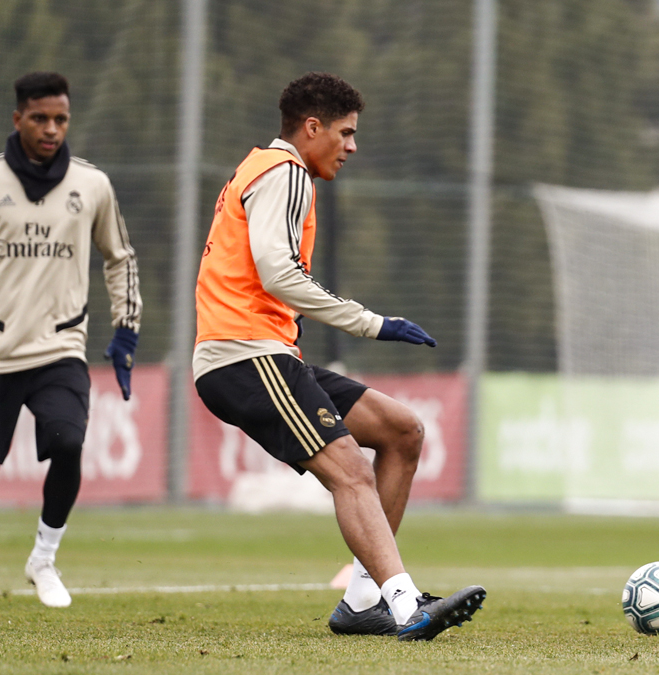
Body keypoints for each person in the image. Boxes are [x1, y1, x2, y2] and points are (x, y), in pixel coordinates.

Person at [192, 72, 483, 641]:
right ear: (312, 127)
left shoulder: (260, 169)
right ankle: (406, 608)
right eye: (346, 134)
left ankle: (362, 602)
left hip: (263, 351)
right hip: (243, 353)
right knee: (350, 471)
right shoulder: (287, 172)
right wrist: (373, 323)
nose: (352, 147)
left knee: (402, 431)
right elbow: (278, 272)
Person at [0, 72, 141, 609]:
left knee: (67, 443)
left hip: (60, 348)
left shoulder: (92, 185)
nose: (51, 129)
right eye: (40, 118)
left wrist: (126, 329)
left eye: (60, 119)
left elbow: (120, 257)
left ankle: (43, 559)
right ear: (17, 119)